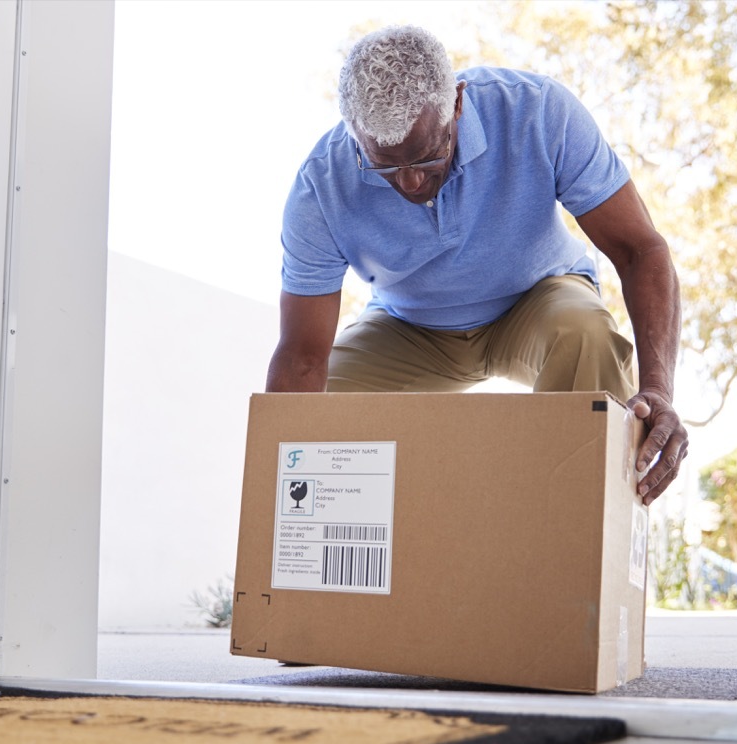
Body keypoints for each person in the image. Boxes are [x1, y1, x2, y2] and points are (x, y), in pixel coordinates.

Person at [267, 25, 687, 504]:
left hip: (537, 296)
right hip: (411, 326)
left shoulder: (537, 111)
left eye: (428, 157)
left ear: (457, 104)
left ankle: (582, 533)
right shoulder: (319, 188)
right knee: (316, 415)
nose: (409, 183)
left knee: (586, 335)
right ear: (354, 134)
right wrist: (274, 490)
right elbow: (301, 357)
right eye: (384, 165)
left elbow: (640, 250)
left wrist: (658, 390)